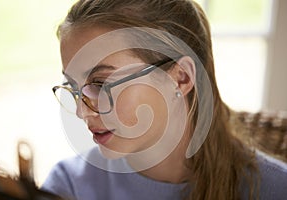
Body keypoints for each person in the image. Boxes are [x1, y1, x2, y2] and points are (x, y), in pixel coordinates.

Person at [41, 0, 287, 199]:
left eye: (99, 84)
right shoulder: (68, 186)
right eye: (73, 86)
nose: (82, 113)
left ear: (180, 78)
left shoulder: (275, 189)